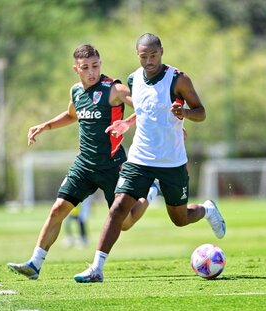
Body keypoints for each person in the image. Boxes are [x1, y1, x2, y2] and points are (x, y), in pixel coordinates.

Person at [74, 33, 226, 283]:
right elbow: (146, 110)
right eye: (144, 56)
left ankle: (207, 209)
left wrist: (185, 112)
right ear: (138, 55)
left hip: (171, 161)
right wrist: (128, 123)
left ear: (162, 52)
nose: (149, 61)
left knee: (179, 219)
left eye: (153, 55)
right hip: (139, 159)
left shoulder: (178, 79)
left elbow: (202, 112)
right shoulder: (134, 79)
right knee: (118, 209)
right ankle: (96, 268)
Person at [7, 44, 159, 280]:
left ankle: (149, 192)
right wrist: (45, 126)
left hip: (112, 166)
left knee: (125, 223)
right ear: (76, 68)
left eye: (96, 66)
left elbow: (145, 106)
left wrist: (135, 123)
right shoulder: (76, 91)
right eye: (86, 67)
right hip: (84, 165)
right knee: (58, 209)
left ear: (101, 64)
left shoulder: (114, 89)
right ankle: (35, 264)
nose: (92, 72)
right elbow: (71, 115)